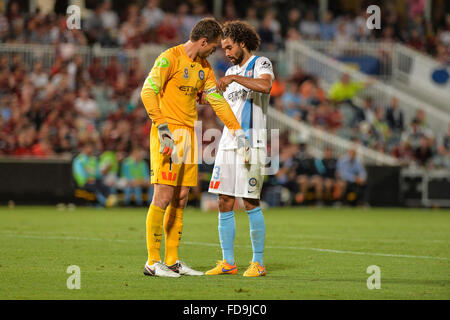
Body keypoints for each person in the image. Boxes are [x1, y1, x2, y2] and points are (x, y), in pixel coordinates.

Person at [140, 18, 249, 278]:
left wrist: (237, 130)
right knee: (163, 196)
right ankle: (152, 262)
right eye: (213, 47)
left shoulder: (204, 68)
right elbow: (147, 91)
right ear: (202, 42)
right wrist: (162, 127)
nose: (215, 51)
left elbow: (217, 102)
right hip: (168, 133)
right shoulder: (169, 58)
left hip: (189, 134)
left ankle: (172, 260)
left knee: (180, 198)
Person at [201, 20, 274, 277]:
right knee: (223, 200)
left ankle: (258, 262)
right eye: (223, 49)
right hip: (228, 143)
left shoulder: (260, 63)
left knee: (250, 201)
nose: (227, 53)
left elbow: (266, 86)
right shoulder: (231, 77)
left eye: (229, 47)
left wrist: (234, 78)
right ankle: (228, 262)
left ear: (242, 43)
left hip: (251, 142)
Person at [72, 142, 116, 207]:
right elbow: (78, 173)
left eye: (92, 148)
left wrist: (102, 173)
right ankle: (105, 202)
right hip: (85, 182)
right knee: (94, 189)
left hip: (95, 180)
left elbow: (98, 173)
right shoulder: (79, 160)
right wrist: (86, 180)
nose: (91, 150)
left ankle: (107, 202)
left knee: (105, 187)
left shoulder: (94, 159)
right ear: (84, 149)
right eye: (89, 148)